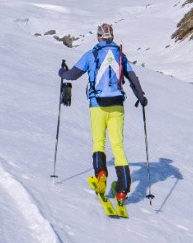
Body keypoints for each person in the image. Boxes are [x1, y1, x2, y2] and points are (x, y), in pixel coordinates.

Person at [58, 23, 147, 205]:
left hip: (97, 104)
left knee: (99, 142)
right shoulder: (120, 55)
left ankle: (101, 175)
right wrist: (141, 96)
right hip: (117, 105)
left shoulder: (92, 54)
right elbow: (132, 78)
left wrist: (62, 72)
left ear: (98, 37)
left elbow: (73, 75)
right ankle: (122, 191)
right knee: (118, 146)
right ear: (112, 37)